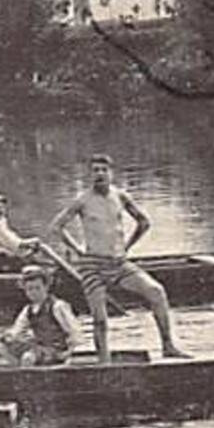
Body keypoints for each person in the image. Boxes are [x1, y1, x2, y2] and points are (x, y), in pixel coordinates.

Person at [48, 154, 185, 364]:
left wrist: (127, 246)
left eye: (103, 170)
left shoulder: (120, 196)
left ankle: (168, 346)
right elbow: (56, 227)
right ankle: (104, 363)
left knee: (156, 292)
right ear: (90, 175)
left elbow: (144, 222)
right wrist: (77, 250)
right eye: (95, 170)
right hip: (92, 266)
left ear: (111, 173)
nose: (99, 174)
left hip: (119, 264)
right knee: (100, 320)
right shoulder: (82, 201)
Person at [0, 265, 77, 366]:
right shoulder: (28, 310)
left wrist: (69, 352)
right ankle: (21, 371)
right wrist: (8, 336)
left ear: (46, 287)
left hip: (56, 350)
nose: (34, 292)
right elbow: (17, 330)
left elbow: (74, 331)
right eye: (30, 289)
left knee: (28, 357)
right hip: (39, 348)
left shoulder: (57, 306)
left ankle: (30, 374)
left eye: (38, 288)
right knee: (1, 346)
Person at [0, 192, 41, 273]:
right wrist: (34, 240)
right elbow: (14, 243)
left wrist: (27, 247)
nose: (0, 210)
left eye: (2, 207)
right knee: (30, 265)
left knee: (28, 258)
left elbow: (10, 239)